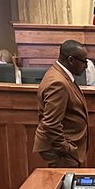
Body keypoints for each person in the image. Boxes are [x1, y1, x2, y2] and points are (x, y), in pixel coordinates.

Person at [33, 39, 90, 167]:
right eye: (84, 61)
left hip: (65, 147)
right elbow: (51, 124)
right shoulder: (59, 83)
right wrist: (66, 149)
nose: (86, 66)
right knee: (66, 184)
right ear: (71, 60)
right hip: (61, 151)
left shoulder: (61, 75)